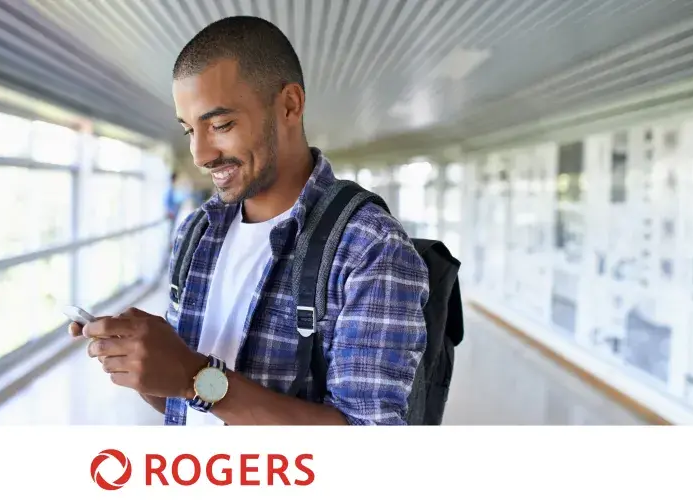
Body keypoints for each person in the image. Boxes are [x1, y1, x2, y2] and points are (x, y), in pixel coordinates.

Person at [68, 15, 428, 426]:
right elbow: (191, 408)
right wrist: (147, 365)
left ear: (289, 105)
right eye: (189, 131)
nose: (201, 155)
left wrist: (193, 377)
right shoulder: (197, 233)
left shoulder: (369, 247)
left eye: (221, 125)